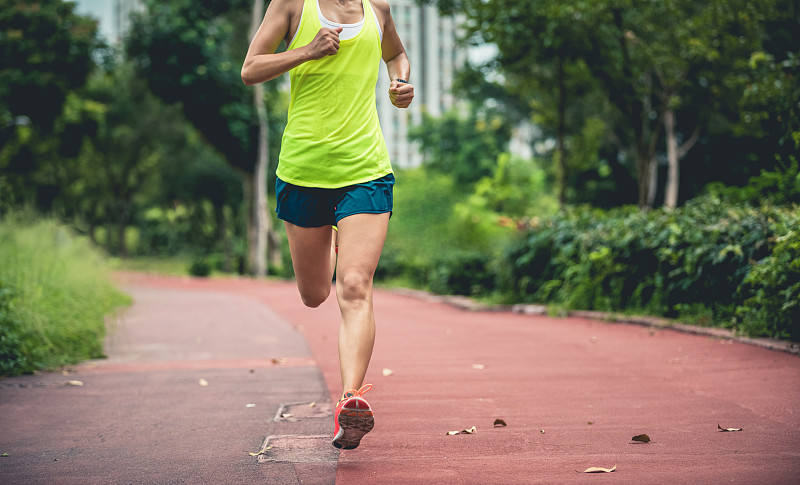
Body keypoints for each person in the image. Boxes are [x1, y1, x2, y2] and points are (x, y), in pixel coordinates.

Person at [241, 0, 413, 450]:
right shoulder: (293, 5)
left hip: (365, 170)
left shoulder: (378, 8)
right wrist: (305, 51)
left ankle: (350, 400)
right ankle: (336, 242)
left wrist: (400, 81)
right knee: (315, 293)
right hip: (303, 173)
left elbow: (396, 54)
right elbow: (250, 69)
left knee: (354, 285)